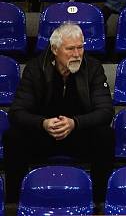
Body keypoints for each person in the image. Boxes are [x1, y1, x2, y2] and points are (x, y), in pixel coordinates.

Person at [4, 23, 114, 203]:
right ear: (55, 49)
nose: (77, 54)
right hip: (43, 135)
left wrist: (75, 123)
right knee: (13, 136)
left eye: (80, 47)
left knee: (105, 135)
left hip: (79, 134)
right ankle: (14, 203)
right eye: (70, 49)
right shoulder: (35, 68)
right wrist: (43, 123)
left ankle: (99, 202)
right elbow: (17, 112)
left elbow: (105, 111)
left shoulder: (93, 67)